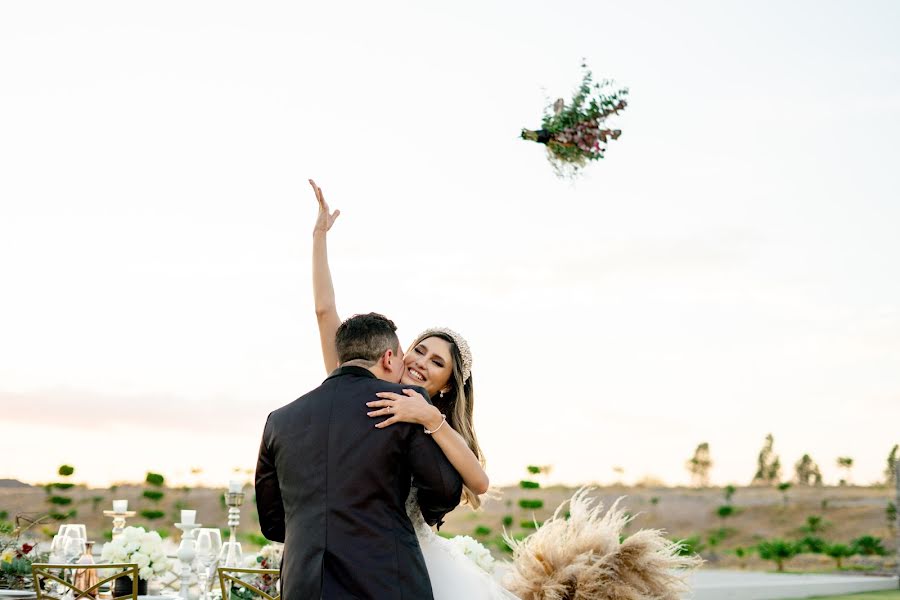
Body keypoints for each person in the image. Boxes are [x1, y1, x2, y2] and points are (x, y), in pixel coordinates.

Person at [309, 180, 519, 599]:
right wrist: (319, 238)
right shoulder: (356, 384)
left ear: (445, 386)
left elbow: (478, 482)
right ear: (398, 353)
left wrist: (429, 419)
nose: (422, 362)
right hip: (356, 564)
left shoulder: (436, 423)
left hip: (415, 563)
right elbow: (324, 312)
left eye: (437, 362)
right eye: (420, 350)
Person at [255, 312, 464, 599]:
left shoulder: (279, 420)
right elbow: (444, 491)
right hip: (386, 583)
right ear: (388, 358)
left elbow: (272, 522)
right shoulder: (403, 404)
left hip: (303, 585)